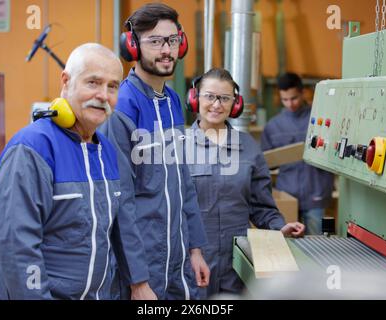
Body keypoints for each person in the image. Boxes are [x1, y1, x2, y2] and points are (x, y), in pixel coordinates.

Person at [0, 43, 149, 299]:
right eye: (93, 83)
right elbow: (17, 247)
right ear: (66, 81)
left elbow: (122, 223)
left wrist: (139, 282)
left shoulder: (106, 150)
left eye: (112, 86)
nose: (103, 95)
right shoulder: (32, 149)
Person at [99, 3, 209, 300]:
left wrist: (196, 249)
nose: (166, 50)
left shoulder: (173, 101)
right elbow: (119, 201)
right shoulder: (122, 107)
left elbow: (183, 182)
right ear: (133, 47)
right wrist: (137, 281)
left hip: (177, 258)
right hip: (143, 265)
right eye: (155, 41)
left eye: (172, 40)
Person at [185, 68, 305, 298]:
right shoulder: (179, 149)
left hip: (235, 267)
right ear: (195, 98)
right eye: (209, 96)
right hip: (192, 265)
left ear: (235, 104)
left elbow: (261, 207)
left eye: (225, 98)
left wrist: (280, 227)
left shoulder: (249, 148)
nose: (217, 105)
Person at [261, 72, 334, 235]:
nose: (290, 104)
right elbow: (266, 162)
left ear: (302, 92)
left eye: (293, 98)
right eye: (284, 100)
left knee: (316, 246)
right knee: (287, 246)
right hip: (287, 192)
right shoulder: (273, 126)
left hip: (316, 192)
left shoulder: (320, 119)